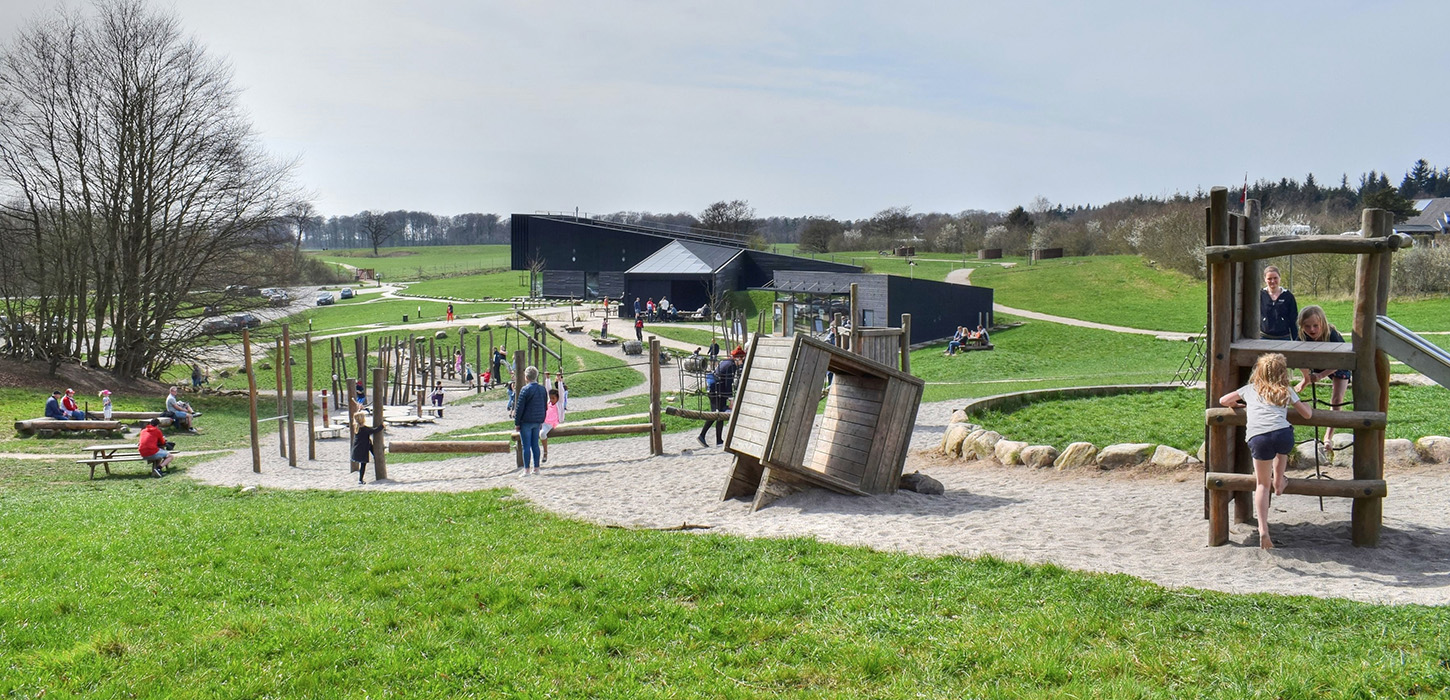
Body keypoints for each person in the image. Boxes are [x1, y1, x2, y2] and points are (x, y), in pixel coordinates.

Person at [1218, 353, 1312, 549]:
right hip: (1283, 435)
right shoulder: (1285, 390)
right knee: (1281, 452)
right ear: (1283, 372)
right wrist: (1307, 407)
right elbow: (1306, 415)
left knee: (1261, 484)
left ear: (1258, 371)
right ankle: (1279, 481)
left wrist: (1237, 404)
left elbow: (1224, 400)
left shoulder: (1250, 389)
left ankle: (1263, 529)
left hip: (1259, 437)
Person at [1295, 305, 1350, 448]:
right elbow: (1295, 355)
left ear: (1323, 323)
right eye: (1307, 326)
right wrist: (1308, 374)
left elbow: (1341, 360)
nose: (1312, 330)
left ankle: (1328, 436)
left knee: (1337, 399)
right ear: (1301, 326)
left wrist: (1320, 375)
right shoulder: (1302, 336)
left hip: (1337, 365)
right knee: (1299, 360)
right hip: (1317, 362)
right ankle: (1306, 379)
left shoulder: (1332, 335)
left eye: (1315, 326)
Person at [699, 346, 743, 447]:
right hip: (717, 391)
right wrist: (731, 399)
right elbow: (728, 383)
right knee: (716, 414)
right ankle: (702, 435)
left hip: (716, 390)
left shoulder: (726, 362)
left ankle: (718, 440)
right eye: (742, 359)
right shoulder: (731, 365)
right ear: (738, 358)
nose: (742, 361)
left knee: (719, 414)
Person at [514, 366, 547, 476]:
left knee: (526, 446)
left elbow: (519, 408)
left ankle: (527, 469)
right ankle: (536, 468)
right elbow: (544, 405)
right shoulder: (542, 389)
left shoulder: (525, 389)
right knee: (535, 445)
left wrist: (517, 423)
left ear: (527, 377)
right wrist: (542, 419)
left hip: (526, 421)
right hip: (537, 420)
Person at [1259, 265, 1298, 341]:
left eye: (1275, 278)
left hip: (1284, 338)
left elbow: (1293, 320)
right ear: (1265, 279)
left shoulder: (1288, 296)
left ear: (1280, 278)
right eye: (1269, 278)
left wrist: (1296, 340)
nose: (1272, 281)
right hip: (1263, 338)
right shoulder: (1260, 295)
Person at [540, 372, 568, 463]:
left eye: (553, 398)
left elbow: (561, 392)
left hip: (550, 423)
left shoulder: (559, 403)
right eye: (550, 398)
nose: (551, 400)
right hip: (543, 422)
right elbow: (548, 389)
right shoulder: (549, 401)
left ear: (557, 398)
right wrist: (547, 378)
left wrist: (559, 380)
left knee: (542, 434)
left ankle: (545, 452)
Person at [351, 406, 379, 484]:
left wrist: (359, 409)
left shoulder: (357, 427)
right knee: (363, 465)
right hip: (363, 449)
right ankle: (360, 480)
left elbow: (356, 416)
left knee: (371, 452)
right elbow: (375, 430)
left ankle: (360, 479)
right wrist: (382, 426)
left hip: (359, 447)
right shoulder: (365, 429)